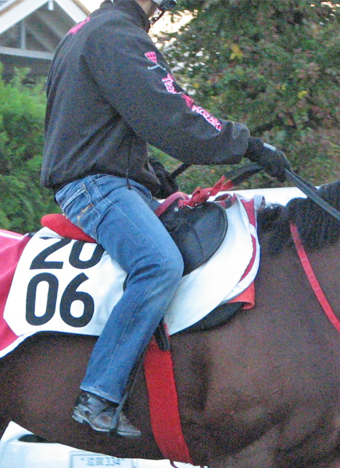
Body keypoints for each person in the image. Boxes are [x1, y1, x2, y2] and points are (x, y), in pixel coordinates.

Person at [42, 0, 289, 439]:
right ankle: (98, 394)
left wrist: (151, 174)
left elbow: (98, 123)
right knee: (159, 264)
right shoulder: (118, 35)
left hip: (109, 182)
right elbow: (173, 115)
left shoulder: (86, 32)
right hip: (98, 188)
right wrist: (247, 145)